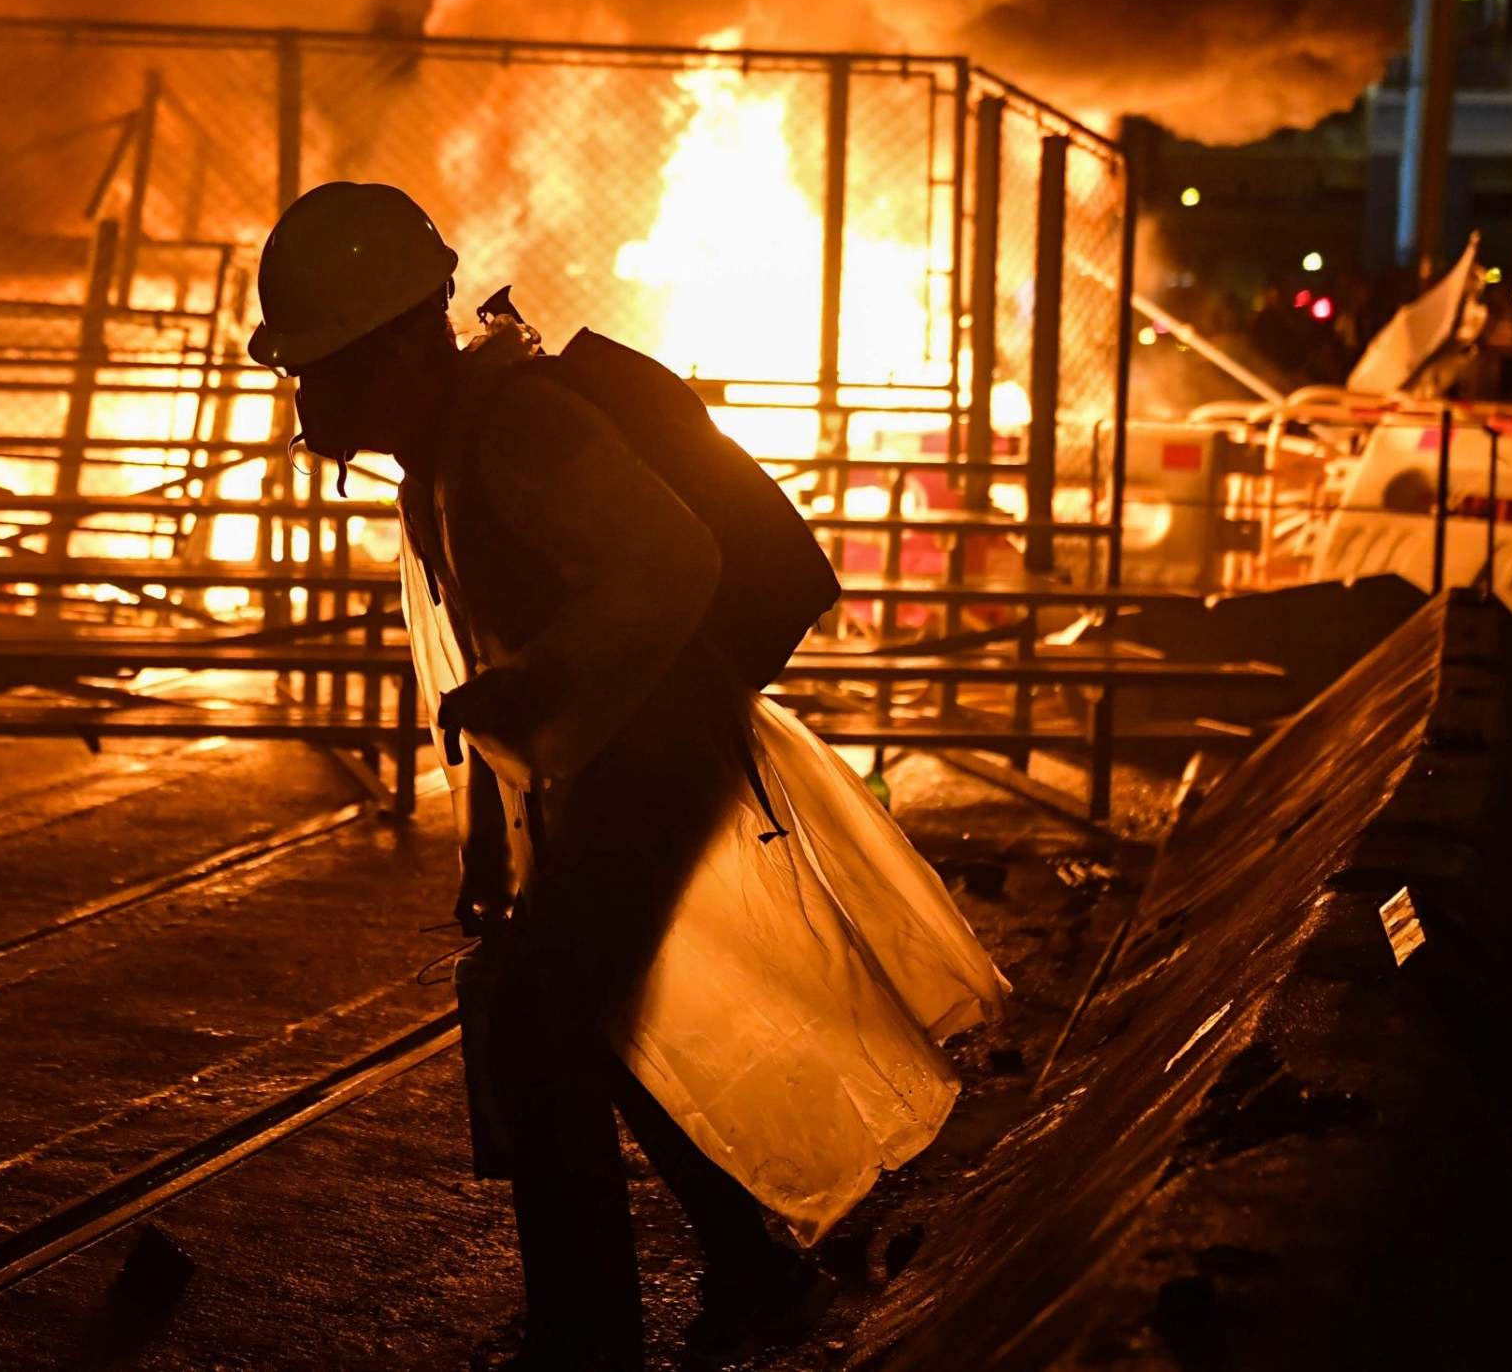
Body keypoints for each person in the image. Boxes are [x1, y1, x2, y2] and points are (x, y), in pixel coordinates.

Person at [249, 182, 1008, 1371]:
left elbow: (670, 561)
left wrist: (543, 680)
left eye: (325, 369)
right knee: (576, 1020)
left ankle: (587, 1340)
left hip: (652, 758)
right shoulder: (445, 456)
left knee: (539, 1029)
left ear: (401, 340)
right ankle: (750, 1269)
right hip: (604, 766)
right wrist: (494, 848)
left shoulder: (520, 430)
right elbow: (491, 673)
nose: (310, 403)